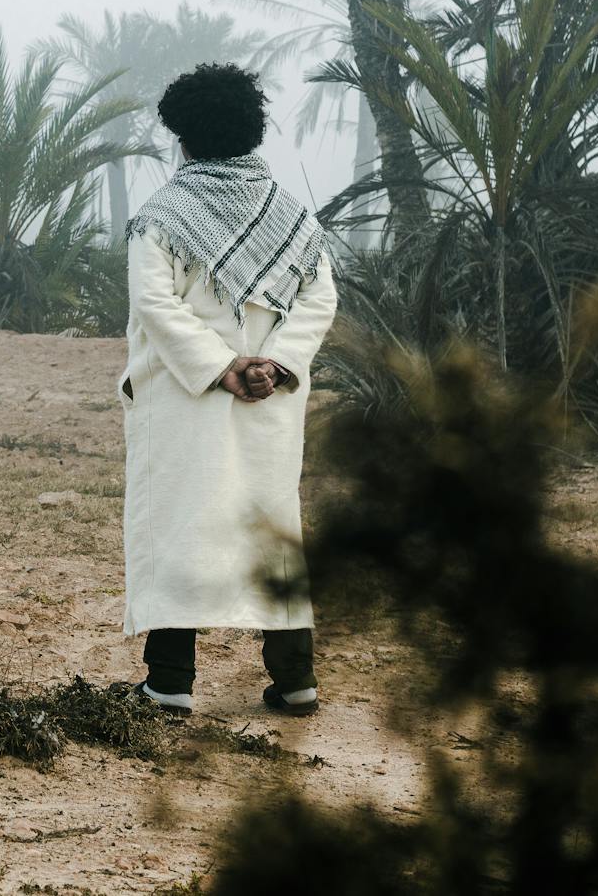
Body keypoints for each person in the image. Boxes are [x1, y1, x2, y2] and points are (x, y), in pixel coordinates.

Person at [117, 62, 337, 718]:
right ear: (253, 132)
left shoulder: (162, 216)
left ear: (181, 137)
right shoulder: (294, 219)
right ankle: (297, 680)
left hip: (188, 399)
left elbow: (155, 303)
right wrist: (272, 363)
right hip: (271, 400)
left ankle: (170, 683)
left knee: (182, 523)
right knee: (273, 530)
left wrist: (221, 368)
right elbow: (320, 298)